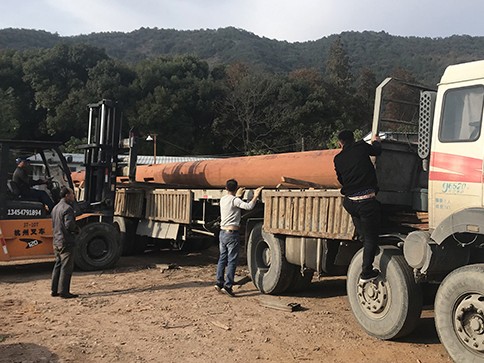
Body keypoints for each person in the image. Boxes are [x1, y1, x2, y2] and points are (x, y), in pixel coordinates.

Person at [333, 130, 382, 284]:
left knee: (360, 225)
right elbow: (376, 151)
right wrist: (376, 141)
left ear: (340, 143)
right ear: (353, 139)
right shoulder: (361, 147)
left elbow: (341, 179)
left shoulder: (338, 159)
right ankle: (366, 272)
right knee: (371, 239)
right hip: (366, 203)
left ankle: (361, 235)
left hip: (350, 202)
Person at [215, 179, 263, 297]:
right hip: (232, 234)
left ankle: (219, 283)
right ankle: (228, 286)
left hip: (223, 233)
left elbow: (233, 203)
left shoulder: (223, 199)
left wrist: (237, 196)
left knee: (222, 258)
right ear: (236, 188)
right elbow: (249, 206)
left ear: (226, 188)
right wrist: (255, 195)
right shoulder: (235, 200)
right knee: (232, 261)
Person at [51, 186, 80, 299]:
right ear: (67, 195)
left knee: (58, 265)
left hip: (56, 240)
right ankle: (64, 291)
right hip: (66, 241)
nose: (73, 196)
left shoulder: (55, 208)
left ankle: (54, 290)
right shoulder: (67, 209)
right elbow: (69, 225)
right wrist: (77, 229)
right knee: (66, 267)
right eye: (72, 194)